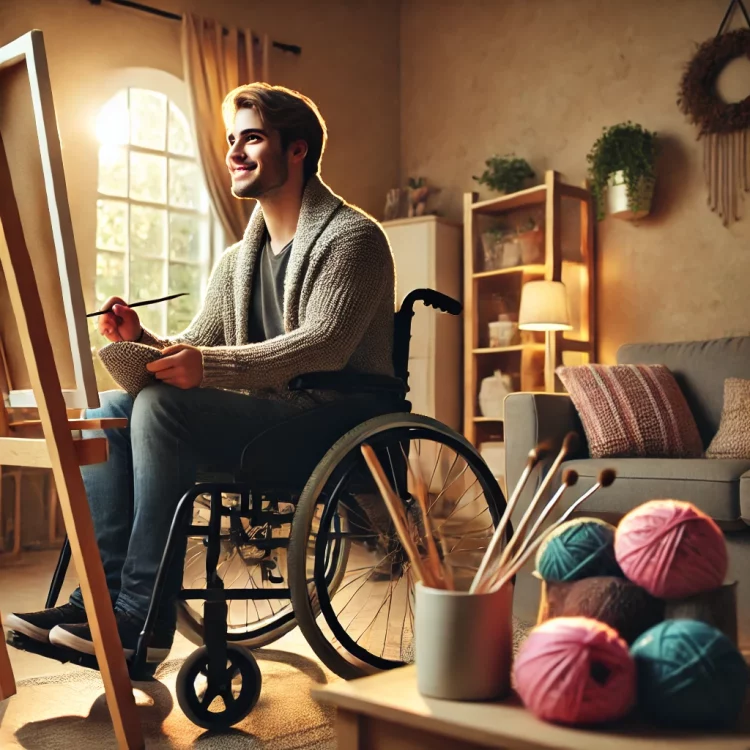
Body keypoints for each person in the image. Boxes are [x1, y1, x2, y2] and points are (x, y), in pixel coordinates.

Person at [5, 83, 396, 663]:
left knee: (161, 409)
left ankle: (141, 621)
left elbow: (325, 344)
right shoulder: (237, 260)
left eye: (253, 138)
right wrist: (141, 341)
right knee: (107, 411)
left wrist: (206, 366)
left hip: (332, 421)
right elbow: (196, 345)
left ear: (298, 150)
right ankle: (102, 604)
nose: (234, 152)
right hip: (268, 416)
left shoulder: (353, 237)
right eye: (232, 140)